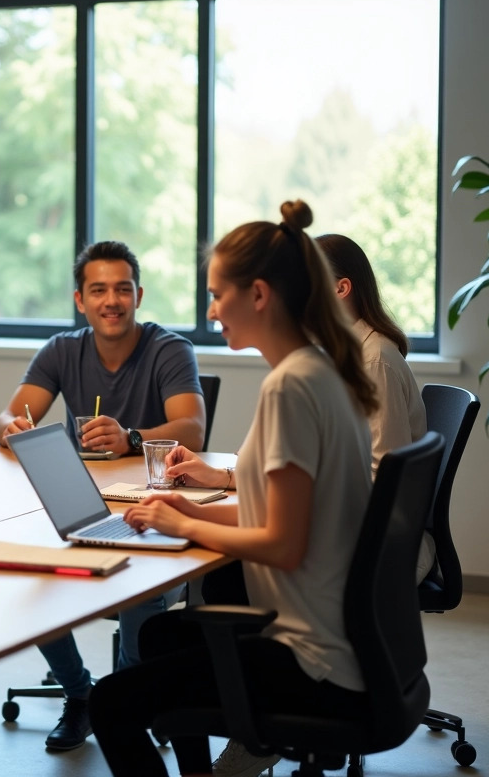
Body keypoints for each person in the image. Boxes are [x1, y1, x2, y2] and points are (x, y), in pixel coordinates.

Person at [87, 200, 377, 777]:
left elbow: (284, 545)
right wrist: (175, 508)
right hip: (344, 640)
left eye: (219, 294)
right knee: (168, 636)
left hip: (310, 659)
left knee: (109, 702)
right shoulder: (319, 371)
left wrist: (185, 525)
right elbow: (276, 514)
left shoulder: (290, 389)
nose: (212, 309)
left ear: (260, 295)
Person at [0, 240, 207, 752]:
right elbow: (6, 418)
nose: (111, 300)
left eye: (122, 289)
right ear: (79, 299)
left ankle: (127, 701)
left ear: (139, 295)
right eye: (98, 290)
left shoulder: (169, 348)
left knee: (142, 593)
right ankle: (84, 695)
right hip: (81, 504)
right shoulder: (62, 349)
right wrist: (16, 429)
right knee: (32, 579)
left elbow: (194, 428)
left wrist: (131, 437)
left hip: (149, 509)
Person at [317, 232, 431, 583]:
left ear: (341, 288)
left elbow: (385, 475)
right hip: (356, 521)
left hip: (380, 537)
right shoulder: (341, 353)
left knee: (237, 567)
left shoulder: (374, 361)